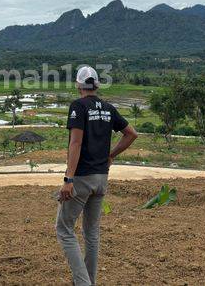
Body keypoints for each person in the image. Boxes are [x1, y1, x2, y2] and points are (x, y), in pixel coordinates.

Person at [56, 66, 138, 286]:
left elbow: (76, 142)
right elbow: (131, 134)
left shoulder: (78, 106)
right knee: (91, 233)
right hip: (101, 178)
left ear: (78, 85)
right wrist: (111, 156)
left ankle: (83, 283)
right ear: (97, 85)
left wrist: (68, 179)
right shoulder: (108, 108)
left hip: (81, 178)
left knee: (64, 229)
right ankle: (89, 281)